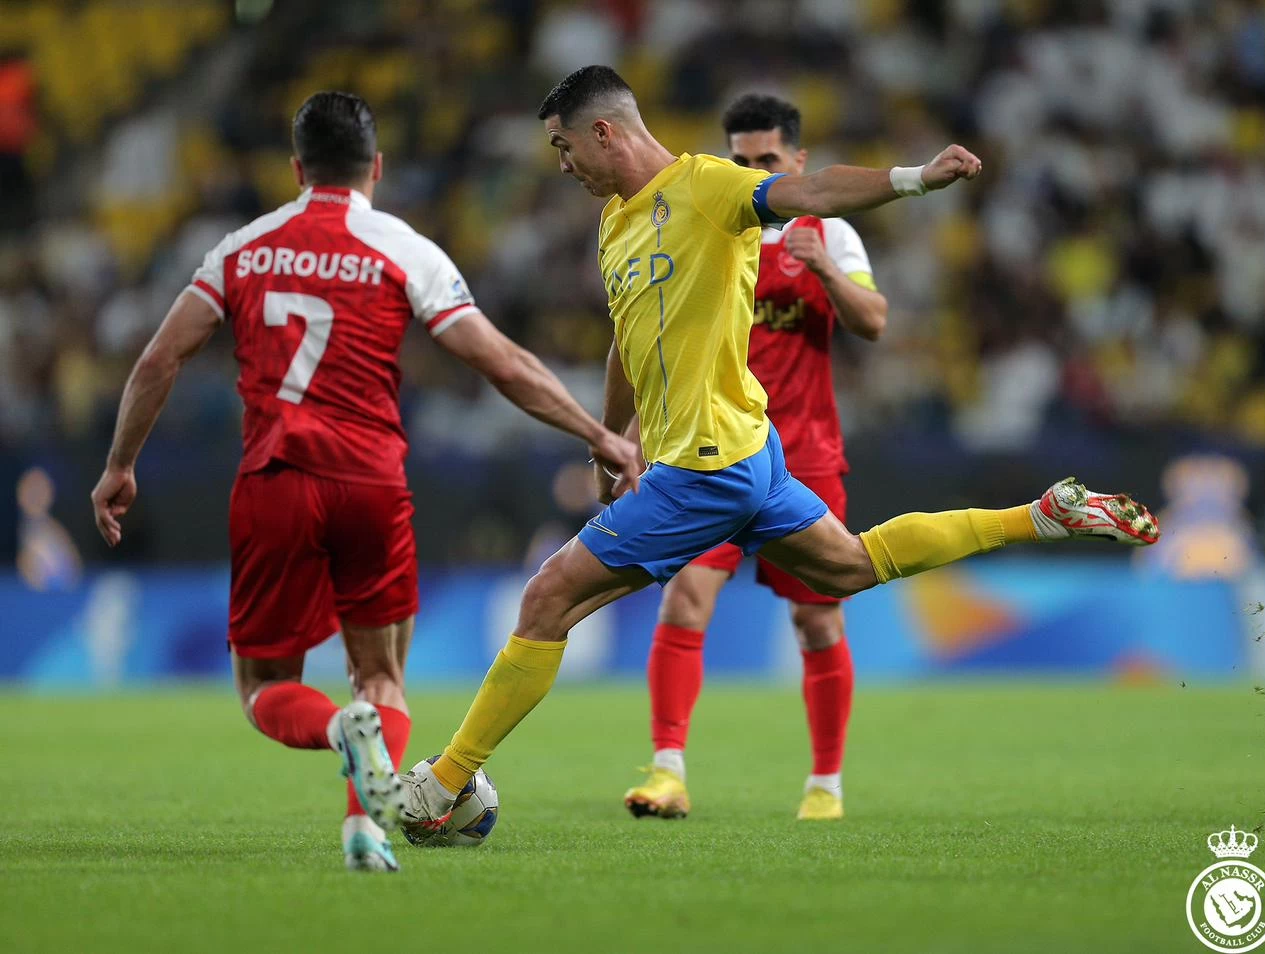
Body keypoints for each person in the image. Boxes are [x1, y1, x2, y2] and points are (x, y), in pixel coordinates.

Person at [400, 66, 1159, 834]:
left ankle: (446, 785)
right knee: (851, 566)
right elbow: (626, 346)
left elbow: (816, 193)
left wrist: (918, 179)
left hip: (707, 467)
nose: (562, 165)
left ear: (603, 132)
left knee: (547, 598)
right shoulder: (615, 223)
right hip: (746, 453)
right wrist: (609, 442)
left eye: (564, 146)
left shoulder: (711, 186)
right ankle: (1040, 517)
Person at [89, 91, 640, 873]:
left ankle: (333, 734)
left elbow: (158, 360)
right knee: (381, 675)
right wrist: (598, 435)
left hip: (274, 480)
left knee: (264, 683)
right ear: (376, 168)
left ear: (295, 169)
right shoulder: (402, 248)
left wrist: (119, 465)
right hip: (371, 484)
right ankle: (365, 830)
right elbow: (500, 362)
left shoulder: (244, 248)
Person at [624, 94, 887, 824]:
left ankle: (825, 786)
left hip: (804, 458)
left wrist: (826, 272)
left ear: (797, 162)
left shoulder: (826, 231)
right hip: (715, 450)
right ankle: (667, 771)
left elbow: (874, 321)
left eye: (766, 160)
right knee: (685, 598)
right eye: (739, 160)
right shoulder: (706, 229)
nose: (752, 171)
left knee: (818, 623)